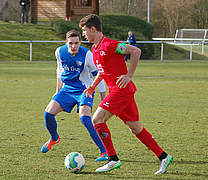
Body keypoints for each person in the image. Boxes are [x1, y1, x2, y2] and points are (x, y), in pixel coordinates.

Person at [79, 14, 173, 174]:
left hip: (121, 91)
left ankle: (112, 159)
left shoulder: (110, 45)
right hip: (120, 93)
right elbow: (103, 72)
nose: (83, 34)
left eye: (85, 31)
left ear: (93, 29)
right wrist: (93, 86)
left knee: (97, 119)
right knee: (135, 128)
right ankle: (163, 156)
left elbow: (135, 51)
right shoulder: (95, 49)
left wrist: (129, 75)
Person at [41, 29, 108, 162]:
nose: (74, 46)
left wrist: (103, 98)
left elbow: (98, 76)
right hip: (67, 89)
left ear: (80, 42)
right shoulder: (59, 52)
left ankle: (104, 151)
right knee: (48, 114)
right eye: (71, 43)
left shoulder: (87, 55)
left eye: (76, 43)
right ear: (66, 43)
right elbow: (59, 70)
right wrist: (57, 90)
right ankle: (54, 138)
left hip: (85, 89)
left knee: (85, 118)